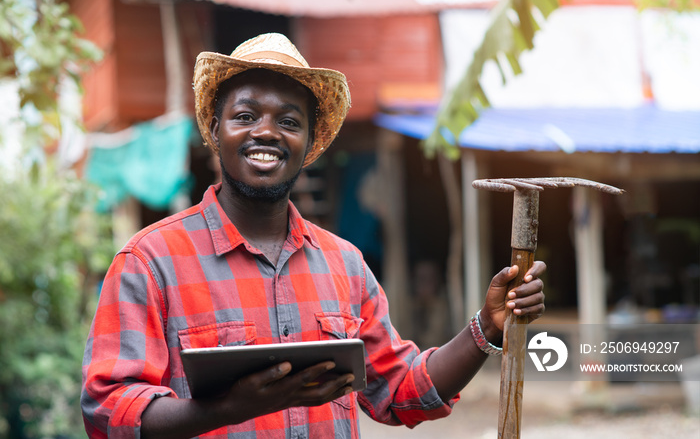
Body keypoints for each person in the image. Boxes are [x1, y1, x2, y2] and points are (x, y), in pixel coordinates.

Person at [81, 33, 546, 439]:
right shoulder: (149, 261)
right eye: (245, 115)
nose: (267, 132)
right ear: (215, 129)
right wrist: (225, 409)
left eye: (289, 121)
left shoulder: (344, 264)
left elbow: (402, 391)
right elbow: (109, 412)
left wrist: (486, 326)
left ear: (308, 143)